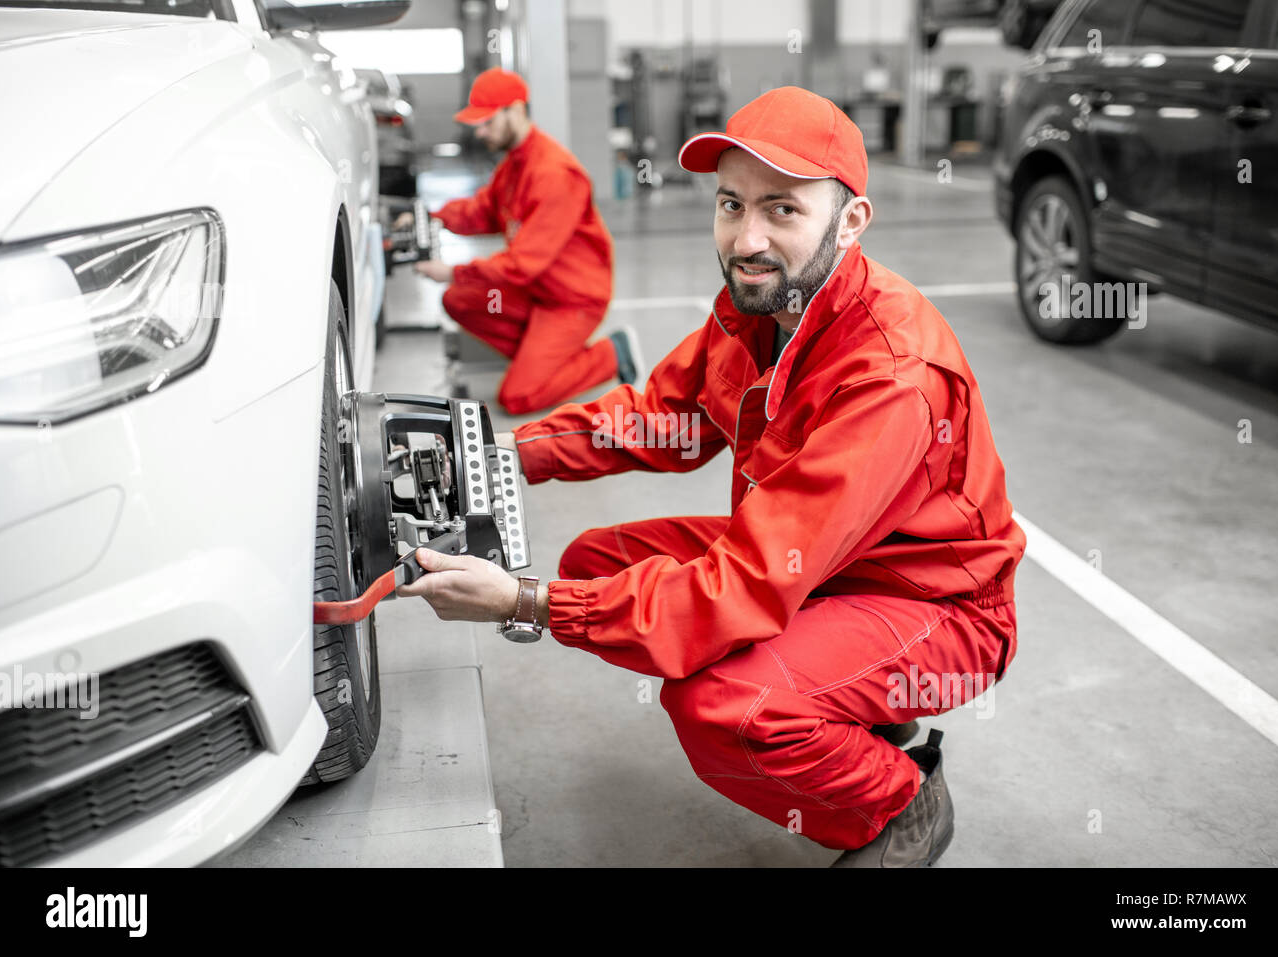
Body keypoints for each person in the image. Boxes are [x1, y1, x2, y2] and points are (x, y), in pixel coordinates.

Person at [396, 86, 1026, 867]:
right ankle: (841, 703)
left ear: (852, 221)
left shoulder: (890, 378)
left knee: (719, 702)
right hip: (820, 565)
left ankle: (902, 801)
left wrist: (524, 602)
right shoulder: (757, 307)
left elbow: (748, 585)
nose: (747, 237)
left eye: (783, 210)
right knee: (599, 563)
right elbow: (664, 417)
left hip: (932, 603)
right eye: (732, 204)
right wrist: (502, 453)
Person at [404, 67, 638, 415]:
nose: (481, 132)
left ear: (514, 110)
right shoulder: (514, 165)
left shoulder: (554, 175)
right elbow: (482, 212)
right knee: (459, 301)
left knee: (519, 396)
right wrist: (432, 217)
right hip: (535, 290)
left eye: (487, 122)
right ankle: (543, 357)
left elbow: (520, 265)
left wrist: (452, 271)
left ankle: (611, 355)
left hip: (571, 299)